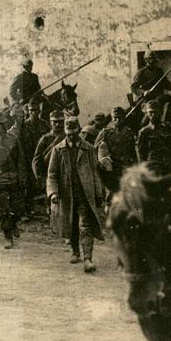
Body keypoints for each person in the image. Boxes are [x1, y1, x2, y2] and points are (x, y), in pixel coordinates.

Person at [47, 116, 104, 273]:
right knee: (71, 224)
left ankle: (88, 258)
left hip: (84, 194)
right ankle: (75, 251)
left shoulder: (89, 149)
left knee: (85, 225)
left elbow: (95, 173)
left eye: (74, 133)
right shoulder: (58, 150)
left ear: (79, 131)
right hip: (67, 194)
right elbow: (52, 174)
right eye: (68, 134)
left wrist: (98, 194)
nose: (71, 137)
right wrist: (53, 192)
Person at [0, 111, 28, 249]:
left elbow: (21, 160)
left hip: (14, 179)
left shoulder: (13, 139)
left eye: (2, 124)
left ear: (6, 124)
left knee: (17, 208)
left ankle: (13, 224)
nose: (0, 127)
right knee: (3, 210)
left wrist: (22, 177)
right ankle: (7, 236)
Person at [32, 110, 66, 227]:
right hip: (49, 173)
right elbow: (36, 159)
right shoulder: (45, 139)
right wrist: (39, 175)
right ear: (50, 123)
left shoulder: (68, 137)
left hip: (65, 172)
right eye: (55, 122)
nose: (58, 124)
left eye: (60, 122)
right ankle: (52, 218)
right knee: (52, 199)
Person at [94, 106, 136, 197]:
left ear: (124, 118)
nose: (117, 120)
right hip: (112, 168)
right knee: (112, 194)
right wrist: (104, 162)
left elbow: (133, 151)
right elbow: (95, 147)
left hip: (126, 167)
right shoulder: (106, 132)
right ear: (112, 119)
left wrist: (135, 165)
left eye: (120, 118)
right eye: (115, 118)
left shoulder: (129, 132)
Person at [136, 100, 171, 176]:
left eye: (155, 112)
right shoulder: (144, 132)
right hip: (153, 167)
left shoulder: (169, 128)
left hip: (169, 165)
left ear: (160, 112)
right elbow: (141, 154)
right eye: (150, 112)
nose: (153, 114)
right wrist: (144, 170)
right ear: (147, 114)